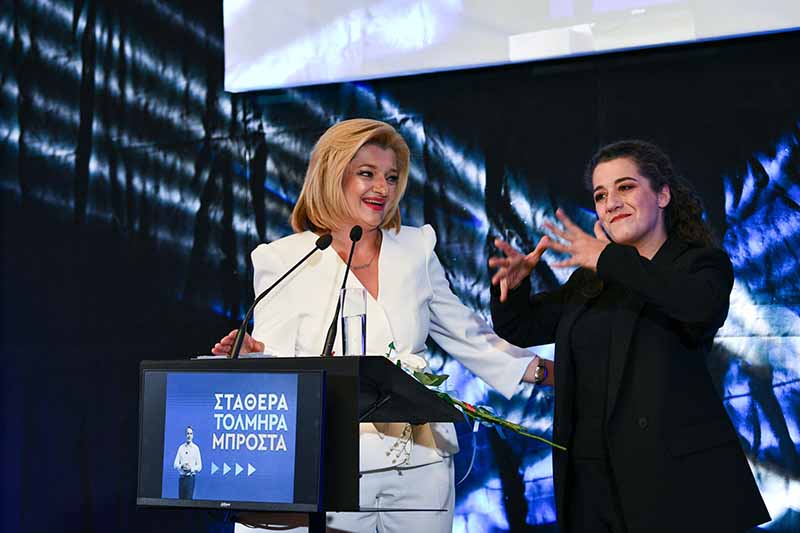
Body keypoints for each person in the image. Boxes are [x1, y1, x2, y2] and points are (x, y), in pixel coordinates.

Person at [212, 118, 545, 532]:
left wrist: (546, 371)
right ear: (332, 175)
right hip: (332, 464)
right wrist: (256, 355)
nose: (382, 188)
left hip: (421, 464)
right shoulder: (284, 259)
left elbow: (467, 335)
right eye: (366, 174)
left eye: (391, 177)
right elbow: (280, 370)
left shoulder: (416, 248)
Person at [489, 140, 770, 533]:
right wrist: (514, 287)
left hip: (673, 483)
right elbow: (520, 327)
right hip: (592, 485)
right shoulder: (592, 281)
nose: (611, 203)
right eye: (600, 195)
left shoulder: (700, 264)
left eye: (625, 187)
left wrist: (607, 258)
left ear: (663, 195)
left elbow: (697, 308)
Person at [173, 426, 202, 499]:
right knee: (180, 502)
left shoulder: (196, 449)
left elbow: (199, 466)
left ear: (193, 435)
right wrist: (182, 466)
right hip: (182, 478)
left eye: (191, 433)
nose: (189, 435)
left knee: (188, 501)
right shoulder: (181, 448)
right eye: (187, 433)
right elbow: (175, 464)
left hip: (190, 479)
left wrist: (191, 468)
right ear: (185, 435)